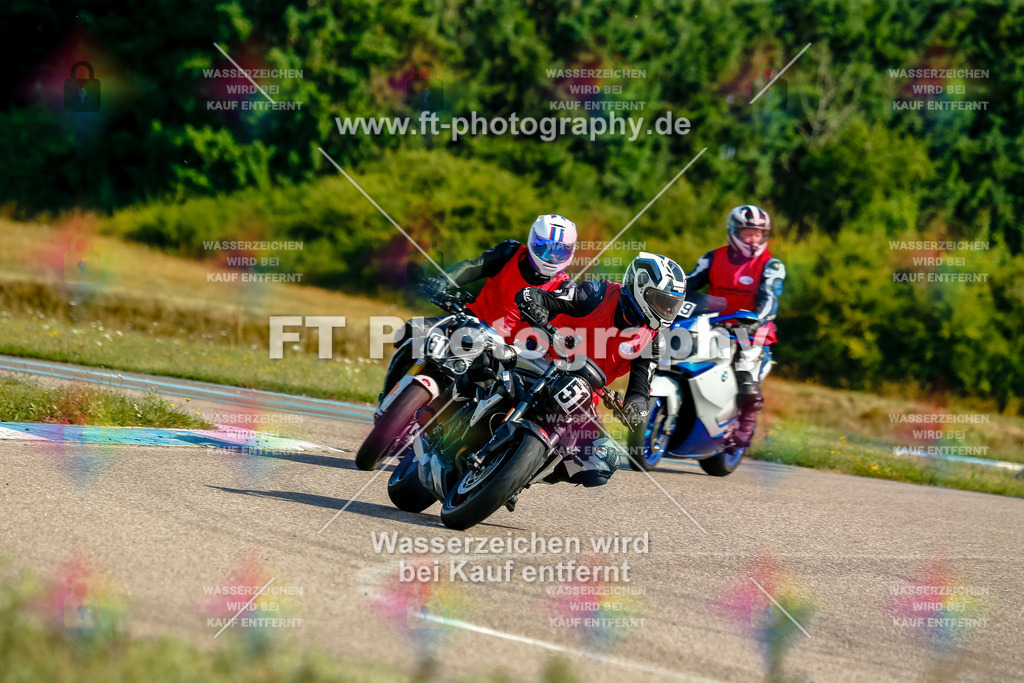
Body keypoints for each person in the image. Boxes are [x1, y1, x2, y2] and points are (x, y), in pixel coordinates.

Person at [515, 252, 688, 486]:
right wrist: (532, 302)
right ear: (640, 287)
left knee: (605, 461)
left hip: (581, 400)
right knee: (488, 360)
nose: (667, 311)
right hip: (540, 362)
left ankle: (526, 475)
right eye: (662, 302)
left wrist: (636, 409)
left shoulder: (654, 341)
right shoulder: (596, 294)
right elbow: (544, 297)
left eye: (672, 305)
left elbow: (640, 390)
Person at [380, 214, 578, 398]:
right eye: (544, 247)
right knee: (412, 331)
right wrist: (443, 280)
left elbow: (564, 330)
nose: (551, 257)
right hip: (471, 321)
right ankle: (388, 394)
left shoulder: (566, 288)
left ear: (571, 251)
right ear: (532, 241)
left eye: (559, 251)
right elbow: (473, 266)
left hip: (510, 352)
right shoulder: (509, 251)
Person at [685, 205, 786, 452]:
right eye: (747, 232)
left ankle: (744, 427)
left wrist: (755, 320)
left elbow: (770, 299)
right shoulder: (712, 258)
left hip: (752, 331)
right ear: (733, 232)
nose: (753, 238)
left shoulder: (771, 266)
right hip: (713, 324)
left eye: (758, 233)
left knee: (745, 373)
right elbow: (687, 283)